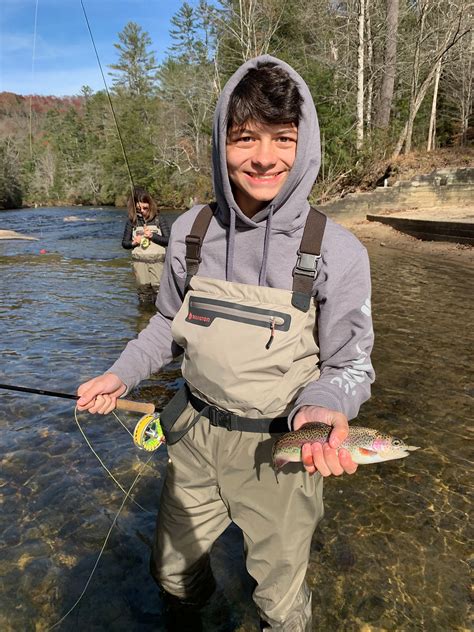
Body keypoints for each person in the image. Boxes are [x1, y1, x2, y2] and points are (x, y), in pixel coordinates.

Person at [77, 56, 375, 631]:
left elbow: (350, 364)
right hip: (191, 435)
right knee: (172, 574)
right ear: (221, 142)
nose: (264, 157)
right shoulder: (189, 231)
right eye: (245, 138)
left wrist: (323, 408)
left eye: (283, 138)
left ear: (304, 142)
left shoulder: (340, 252)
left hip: (283, 450)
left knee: (279, 606)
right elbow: (166, 325)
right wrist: (120, 375)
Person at [122, 186, 169, 304]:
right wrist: (134, 242)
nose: (142, 211)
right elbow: (125, 244)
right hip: (139, 263)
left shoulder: (159, 219)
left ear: (150, 205)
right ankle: (144, 317)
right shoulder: (131, 222)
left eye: (145, 208)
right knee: (143, 291)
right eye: (138, 209)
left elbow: (169, 240)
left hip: (158, 263)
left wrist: (153, 236)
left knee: (160, 290)